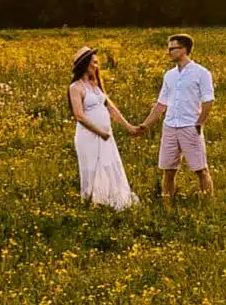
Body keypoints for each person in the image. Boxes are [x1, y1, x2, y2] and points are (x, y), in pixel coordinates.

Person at [137, 33, 214, 202]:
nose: (169, 52)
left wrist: (199, 123)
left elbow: (208, 101)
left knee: (200, 169)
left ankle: (208, 206)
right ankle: (167, 207)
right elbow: (160, 105)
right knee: (168, 170)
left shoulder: (201, 73)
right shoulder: (169, 75)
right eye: (169, 48)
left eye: (173, 48)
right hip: (170, 126)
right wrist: (145, 125)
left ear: (184, 49)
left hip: (190, 126)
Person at [68, 46, 140, 211]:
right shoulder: (76, 88)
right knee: (92, 166)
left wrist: (129, 127)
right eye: (94, 62)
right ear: (85, 64)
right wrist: (100, 132)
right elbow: (79, 115)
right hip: (90, 136)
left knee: (109, 164)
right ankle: (93, 202)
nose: (96, 65)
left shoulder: (95, 85)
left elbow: (111, 108)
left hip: (106, 135)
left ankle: (110, 199)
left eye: (97, 62)